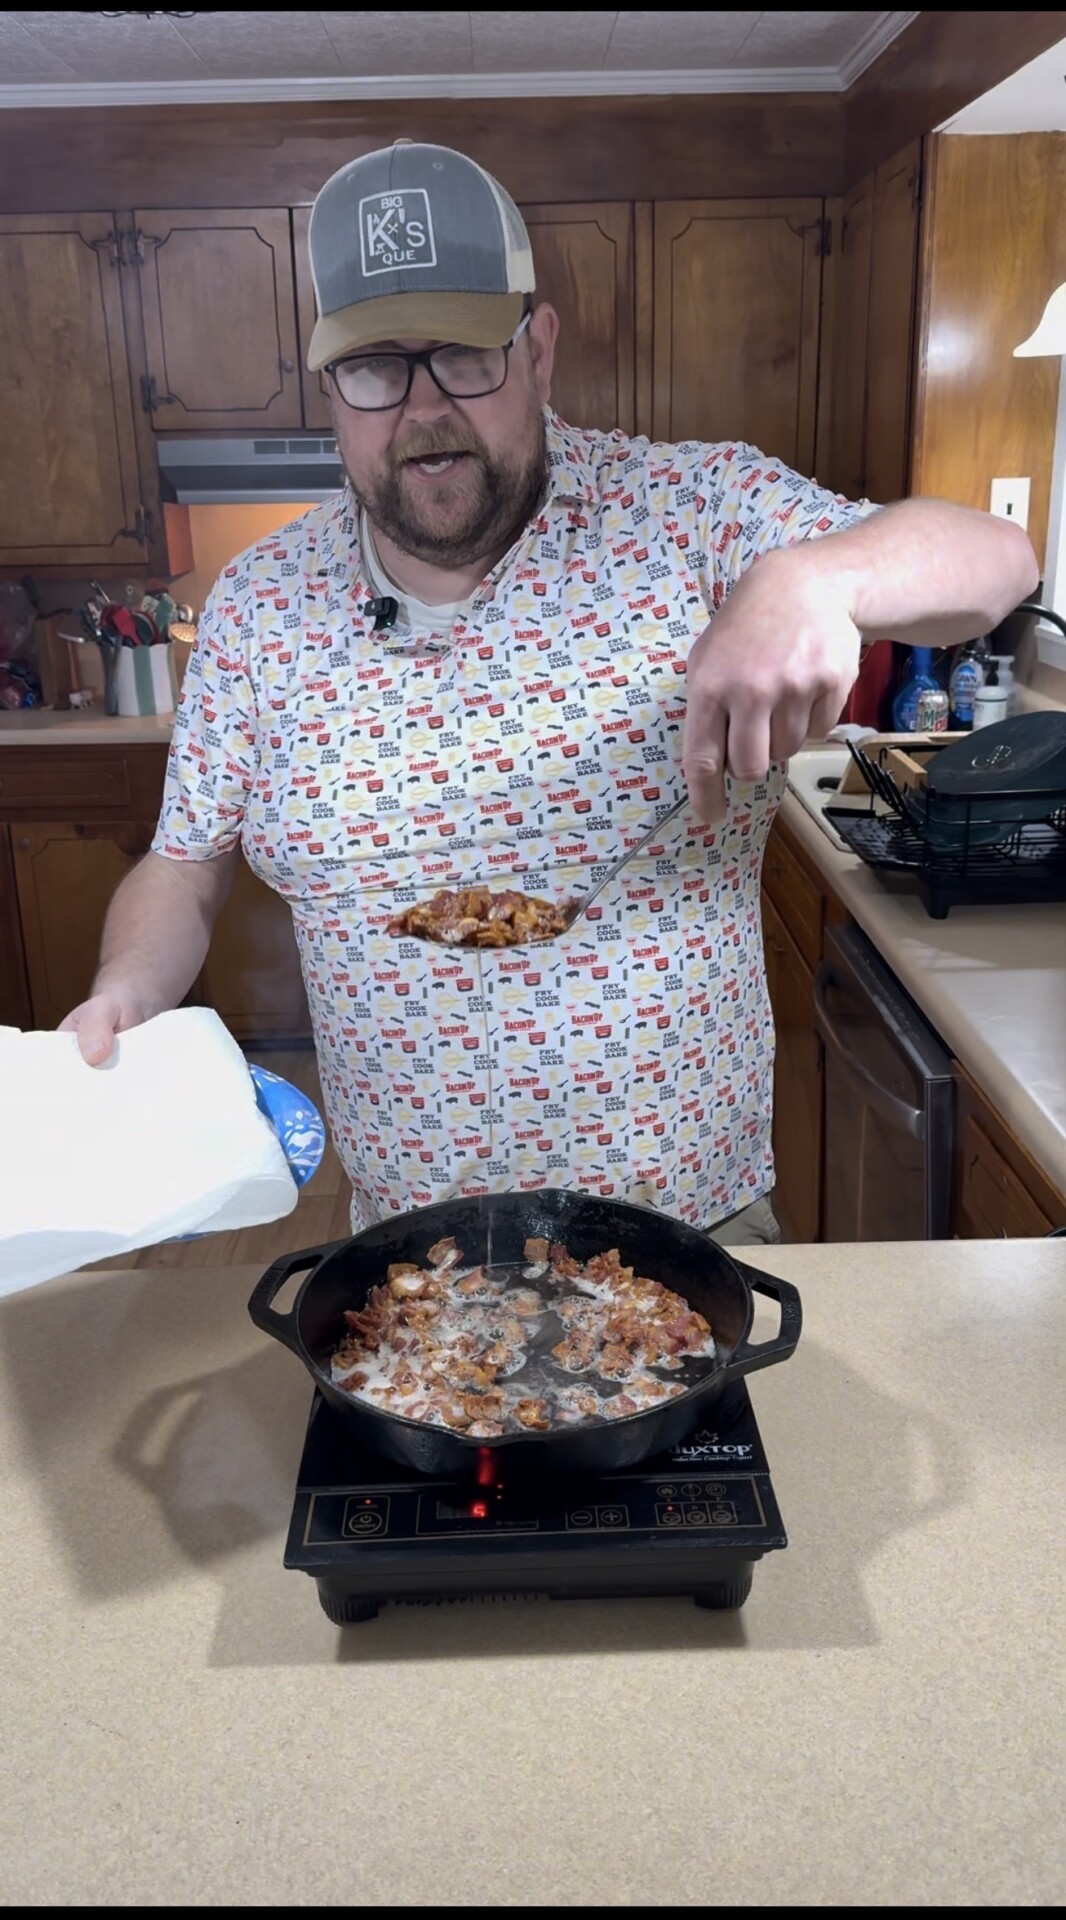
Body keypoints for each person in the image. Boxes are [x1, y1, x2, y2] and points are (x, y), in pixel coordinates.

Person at [61, 140, 1037, 1246]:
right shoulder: (255, 607)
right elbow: (185, 862)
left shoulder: (692, 513)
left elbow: (995, 560)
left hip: (686, 1230)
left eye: (462, 353)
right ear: (330, 386)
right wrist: (124, 994)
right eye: (375, 367)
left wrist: (820, 576)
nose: (422, 409)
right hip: (410, 1252)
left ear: (538, 349)